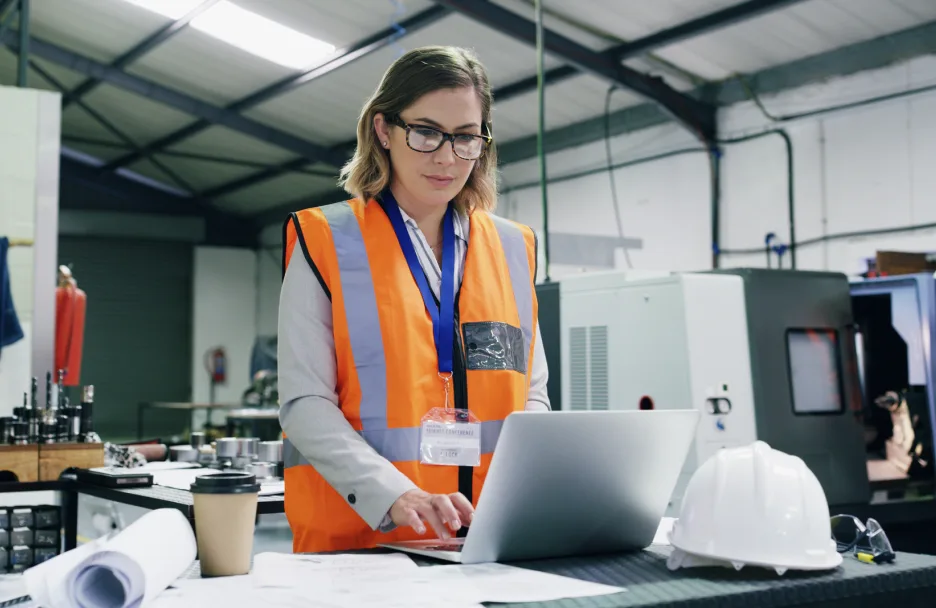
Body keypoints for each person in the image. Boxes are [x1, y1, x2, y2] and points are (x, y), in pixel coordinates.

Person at [277, 45, 550, 554]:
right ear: (383, 130)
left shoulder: (514, 247)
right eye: (426, 133)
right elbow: (305, 402)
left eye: (466, 137)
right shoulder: (326, 240)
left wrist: (522, 495)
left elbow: (532, 394)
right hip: (363, 547)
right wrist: (396, 495)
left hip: (490, 542)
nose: (446, 157)